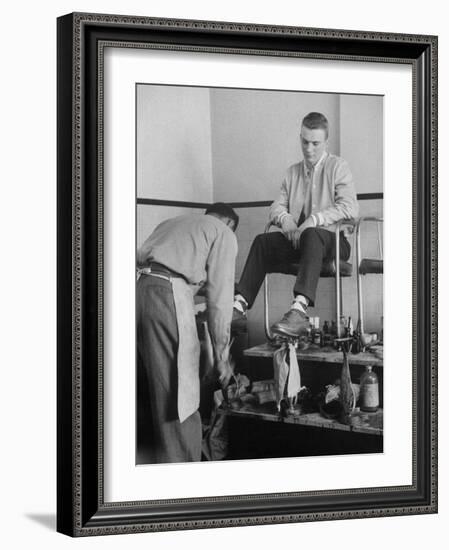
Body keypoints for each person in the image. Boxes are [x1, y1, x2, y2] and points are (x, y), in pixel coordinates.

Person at [232, 112, 359, 338]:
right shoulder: (292, 172)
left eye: (315, 143)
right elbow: (276, 207)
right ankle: (239, 307)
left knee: (311, 232)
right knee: (263, 242)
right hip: (303, 241)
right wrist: (287, 221)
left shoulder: (338, 166)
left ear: (325, 142)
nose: (309, 148)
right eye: (304, 141)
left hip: (335, 242)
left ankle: (299, 310)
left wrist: (314, 219)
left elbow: (350, 208)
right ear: (299, 137)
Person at [136, 203, 239, 464]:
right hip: (167, 296)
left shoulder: (174, 223)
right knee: (180, 400)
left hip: (139, 290)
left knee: (152, 391)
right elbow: (220, 296)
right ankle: (184, 482)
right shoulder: (224, 233)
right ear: (228, 223)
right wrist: (221, 354)